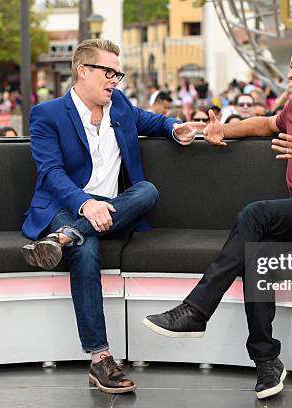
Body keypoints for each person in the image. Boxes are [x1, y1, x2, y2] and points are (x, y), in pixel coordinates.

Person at [144, 36, 292, 399]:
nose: (290, 73)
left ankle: (196, 310)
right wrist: (217, 130)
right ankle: (268, 361)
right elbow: (265, 125)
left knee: (257, 213)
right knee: (258, 256)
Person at [20, 39, 205, 394]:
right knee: (86, 250)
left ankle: (65, 238)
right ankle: (101, 360)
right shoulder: (48, 114)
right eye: (108, 72)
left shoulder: (118, 105)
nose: (114, 80)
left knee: (147, 191)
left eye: (118, 73)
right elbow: (51, 172)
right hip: (66, 207)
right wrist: (85, 204)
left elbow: (150, 120)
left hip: (114, 208)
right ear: (83, 71)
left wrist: (175, 128)